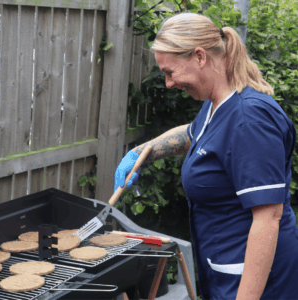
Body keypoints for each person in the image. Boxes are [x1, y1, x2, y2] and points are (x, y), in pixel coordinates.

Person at [114, 12, 298, 300]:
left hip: (255, 284)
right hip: (225, 270)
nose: (168, 83)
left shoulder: (249, 121)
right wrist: (142, 152)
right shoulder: (218, 104)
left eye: (170, 72)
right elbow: (193, 135)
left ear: (199, 56)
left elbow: (268, 218)